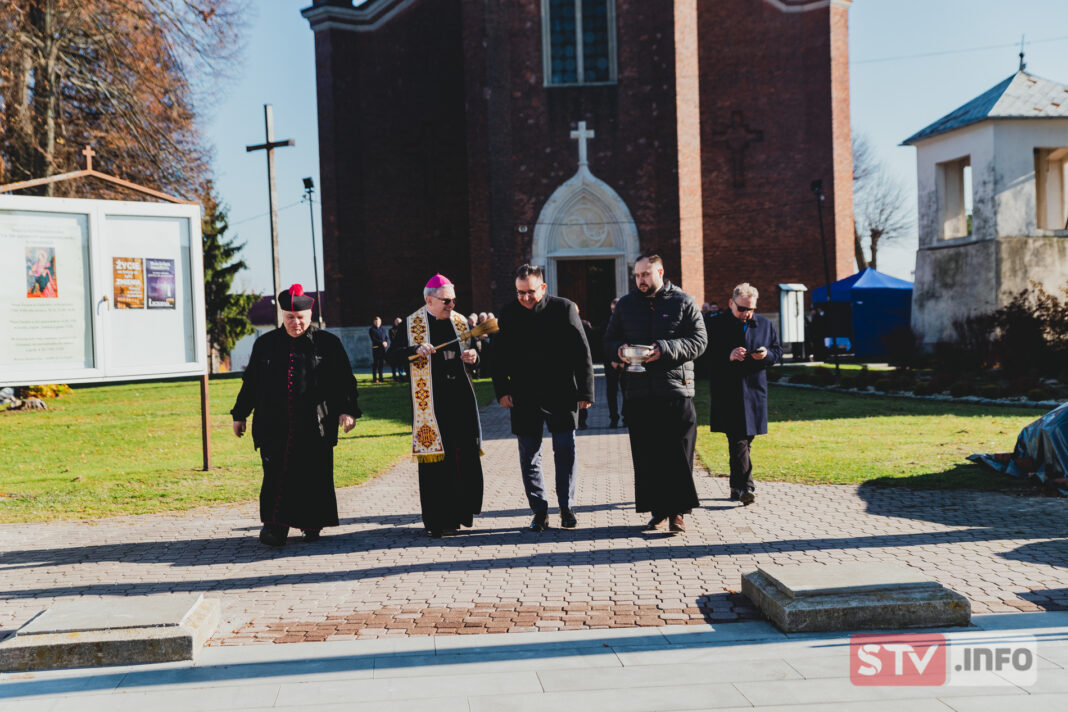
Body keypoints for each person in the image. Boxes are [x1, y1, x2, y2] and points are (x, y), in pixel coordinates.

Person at [231, 283, 360, 547]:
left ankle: (311, 525)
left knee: (313, 475)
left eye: (300, 318)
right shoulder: (265, 344)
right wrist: (240, 414)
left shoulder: (328, 344)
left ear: (309, 317)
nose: (295, 323)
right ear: (282, 317)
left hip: (314, 424)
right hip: (274, 424)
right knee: (275, 475)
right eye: (290, 318)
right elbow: (251, 382)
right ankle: (275, 527)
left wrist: (347, 410)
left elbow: (344, 381)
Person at [604, 254, 706, 533]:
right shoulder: (625, 305)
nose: (641, 280)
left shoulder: (683, 301)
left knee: (678, 454)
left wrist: (665, 349)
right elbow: (609, 340)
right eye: (637, 276)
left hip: (675, 389)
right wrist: (619, 351)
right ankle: (658, 511)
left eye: (646, 274)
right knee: (648, 456)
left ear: (660, 272)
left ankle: (678, 513)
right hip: (638, 392)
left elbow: (699, 341)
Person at [492, 264, 594, 531]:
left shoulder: (564, 309)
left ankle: (566, 507)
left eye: (530, 292)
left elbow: (582, 352)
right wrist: (502, 390)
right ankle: (539, 510)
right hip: (523, 395)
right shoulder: (509, 313)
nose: (525, 297)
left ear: (543, 287)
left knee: (565, 451)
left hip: (561, 393)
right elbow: (499, 356)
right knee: (529, 456)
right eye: (520, 292)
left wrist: (586, 392)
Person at [387, 274, 484, 537]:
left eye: (453, 299)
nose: (452, 304)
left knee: (461, 457)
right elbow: (391, 357)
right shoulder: (411, 324)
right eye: (446, 300)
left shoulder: (461, 322)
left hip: (460, 403)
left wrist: (474, 356)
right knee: (436, 465)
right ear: (429, 300)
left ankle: (460, 515)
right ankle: (438, 520)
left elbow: (476, 354)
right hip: (431, 405)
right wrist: (415, 349)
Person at [706, 282, 782, 505]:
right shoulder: (716, 324)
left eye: (750, 309)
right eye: (741, 308)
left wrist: (766, 355)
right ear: (731, 303)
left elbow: (777, 352)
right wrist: (727, 356)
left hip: (754, 391)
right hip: (727, 391)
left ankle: (735, 485)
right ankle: (747, 486)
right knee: (737, 438)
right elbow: (704, 355)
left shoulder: (765, 325)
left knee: (746, 441)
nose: (746, 314)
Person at [604, 297, 624, 428]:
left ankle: (626, 417)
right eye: (612, 310)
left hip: (625, 362)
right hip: (611, 363)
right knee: (611, 392)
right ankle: (614, 417)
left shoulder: (627, 323)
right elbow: (605, 343)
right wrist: (612, 360)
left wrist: (623, 361)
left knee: (627, 391)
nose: (613, 312)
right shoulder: (607, 323)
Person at [368, 316, 390, 383]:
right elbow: (373, 339)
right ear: (374, 322)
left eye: (379, 322)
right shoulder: (372, 329)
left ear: (380, 322)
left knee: (381, 364)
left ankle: (381, 378)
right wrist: (382, 342)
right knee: (376, 364)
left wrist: (386, 342)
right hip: (376, 349)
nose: (377, 323)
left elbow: (386, 337)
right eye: (376, 322)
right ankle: (374, 378)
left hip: (382, 349)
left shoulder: (383, 329)